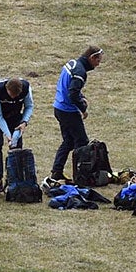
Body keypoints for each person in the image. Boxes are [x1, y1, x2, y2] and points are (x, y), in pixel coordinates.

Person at [51, 46, 102, 181]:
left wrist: (81, 96)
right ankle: (80, 175)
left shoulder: (72, 64)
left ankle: (57, 171)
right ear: (91, 58)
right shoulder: (80, 72)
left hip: (58, 107)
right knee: (82, 142)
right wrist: (83, 108)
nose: (98, 64)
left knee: (68, 141)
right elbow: (73, 93)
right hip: (68, 111)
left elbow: (71, 88)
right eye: (98, 60)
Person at [0, 76, 37, 188]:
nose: (14, 97)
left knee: (17, 147)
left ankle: (14, 180)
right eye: (11, 95)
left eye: (16, 96)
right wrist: (8, 135)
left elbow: (29, 106)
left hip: (15, 117)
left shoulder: (26, 88)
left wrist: (24, 122)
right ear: (6, 88)